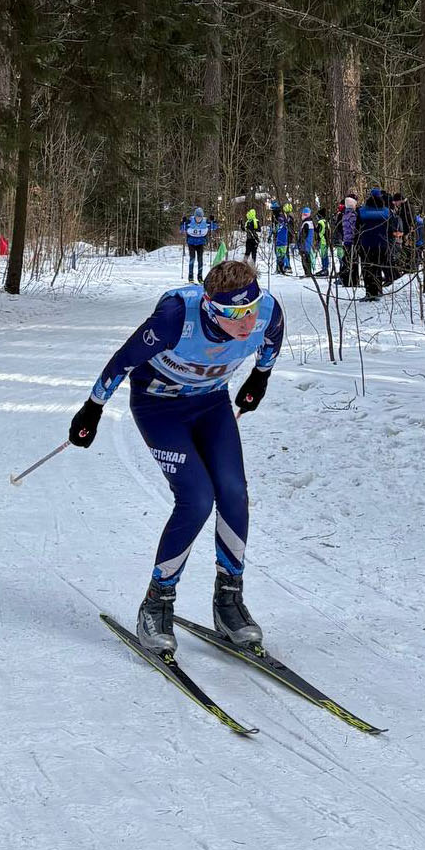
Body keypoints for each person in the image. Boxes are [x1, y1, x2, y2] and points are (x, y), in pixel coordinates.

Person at [67, 260, 285, 656]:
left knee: (234, 493)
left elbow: (271, 341)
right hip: (159, 407)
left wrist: (260, 377)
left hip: (211, 405)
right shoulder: (175, 317)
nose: (247, 320)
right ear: (211, 307)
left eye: (251, 308)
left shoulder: (267, 311)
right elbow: (123, 361)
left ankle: (229, 603)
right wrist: (92, 409)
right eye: (236, 314)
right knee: (197, 498)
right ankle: (157, 602)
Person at [356, 189, 392, 299]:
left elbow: (357, 228)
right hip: (382, 244)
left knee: (367, 268)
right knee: (378, 267)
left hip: (366, 244)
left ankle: (370, 292)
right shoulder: (387, 211)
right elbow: (391, 228)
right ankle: (378, 290)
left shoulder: (361, 211)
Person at [182, 207, 216, 281]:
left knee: (200, 260)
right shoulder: (190, 221)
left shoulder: (205, 221)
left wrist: (213, 221)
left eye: (200, 217)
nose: (198, 219)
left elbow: (214, 227)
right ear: (195, 216)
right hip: (191, 242)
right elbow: (182, 229)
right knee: (192, 259)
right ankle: (190, 277)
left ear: (202, 217)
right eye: (197, 217)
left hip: (200, 243)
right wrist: (183, 222)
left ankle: (200, 277)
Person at [298, 207, 317, 278]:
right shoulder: (311, 222)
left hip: (305, 244)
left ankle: (307, 272)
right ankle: (309, 272)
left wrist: (300, 242)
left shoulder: (306, 223)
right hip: (309, 244)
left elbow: (303, 235)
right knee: (308, 257)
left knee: (305, 259)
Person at [274, 206, 293, 274]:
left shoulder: (286, 223)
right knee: (279, 255)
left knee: (284, 255)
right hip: (279, 241)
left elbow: (290, 229)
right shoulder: (278, 224)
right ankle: (279, 268)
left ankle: (287, 267)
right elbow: (275, 230)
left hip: (284, 241)